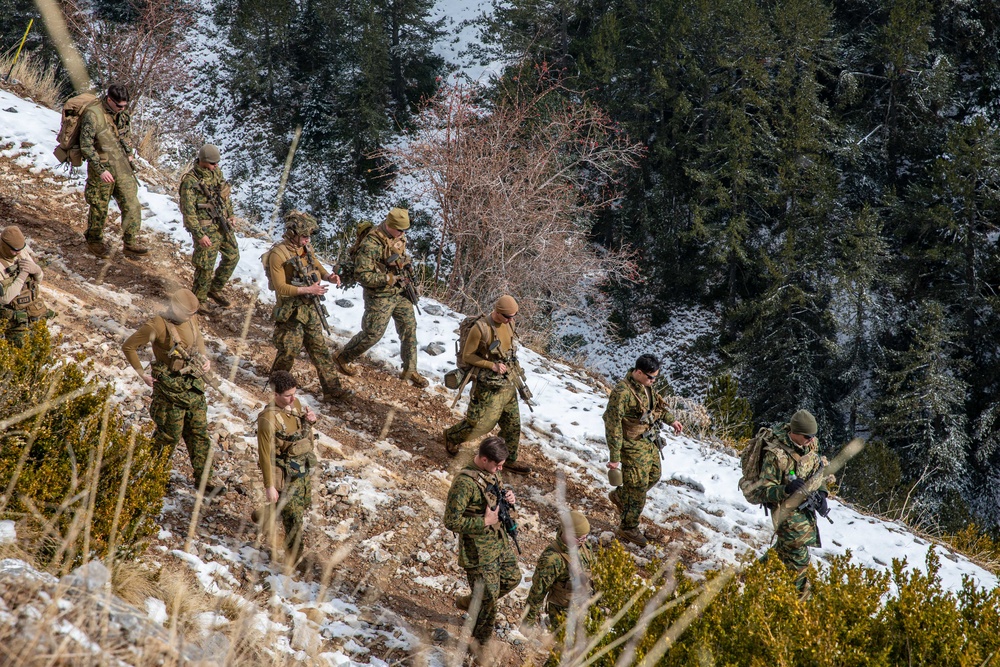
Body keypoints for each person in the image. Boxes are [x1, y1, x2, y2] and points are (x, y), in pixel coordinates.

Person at [122, 289, 224, 495]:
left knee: (199, 433)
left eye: (193, 314)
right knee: (168, 436)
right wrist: (142, 374)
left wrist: (204, 359)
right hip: (169, 390)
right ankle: (155, 476)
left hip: (192, 387)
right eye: (187, 313)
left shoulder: (190, 319)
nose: (191, 318)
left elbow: (198, 338)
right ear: (175, 308)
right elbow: (129, 347)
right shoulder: (157, 325)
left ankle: (205, 478)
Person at [444, 436, 522, 654]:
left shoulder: (490, 473)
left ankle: (471, 601)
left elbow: (494, 496)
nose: (499, 470)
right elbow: (451, 521)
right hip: (477, 550)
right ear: (484, 459)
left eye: (501, 466)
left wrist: (508, 499)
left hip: (499, 541)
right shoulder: (464, 483)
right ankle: (478, 647)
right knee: (489, 601)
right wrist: (484, 521)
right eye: (496, 465)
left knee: (512, 578)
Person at [335, 207, 428, 388]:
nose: (402, 233)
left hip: (399, 291)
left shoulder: (398, 237)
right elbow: (362, 275)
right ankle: (342, 357)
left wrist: (406, 266)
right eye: (400, 230)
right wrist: (388, 278)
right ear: (390, 225)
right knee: (373, 334)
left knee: (409, 328)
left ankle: (410, 369)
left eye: (404, 231)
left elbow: (400, 256)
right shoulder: (371, 244)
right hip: (379, 294)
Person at [264, 211, 349, 403]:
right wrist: (306, 289)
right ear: (293, 232)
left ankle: (333, 390)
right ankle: (277, 387)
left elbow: (315, 264)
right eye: (304, 236)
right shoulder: (278, 254)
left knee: (319, 349)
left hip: (310, 307)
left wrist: (328, 276)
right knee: (288, 351)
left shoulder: (305, 247)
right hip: (291, 311)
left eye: (308, 236)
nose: (306, 240)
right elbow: (281, 288)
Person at [443, 295, 531, 474]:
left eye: (514, 316)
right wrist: (492, 365)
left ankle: (508, 459)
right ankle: (452, 436)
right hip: (487, 385)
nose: (511, 320)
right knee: (481, 424)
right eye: (508, 317)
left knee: (513, 424)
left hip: (507, 382)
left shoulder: (510, 324)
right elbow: (468, 356)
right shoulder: (481, 328)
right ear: (498, 313)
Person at [603, 354, 683, 547]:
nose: (653, 381)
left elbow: (659, 408)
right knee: (638, 487)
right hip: (630, 445)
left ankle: (622, 497)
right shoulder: (622, 392)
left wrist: (671, 420)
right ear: (638, 372)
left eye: (655, 377)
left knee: (654, 475)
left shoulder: (646, 387)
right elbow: (612, 424)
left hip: (648, 441)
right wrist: (615, 456)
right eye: (650, 377)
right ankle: (628, 526)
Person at [756, 409, 830, 598]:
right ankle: (801, 604)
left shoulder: (810, 445)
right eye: (807, 436)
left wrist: (822, 494)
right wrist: (787, 489)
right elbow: (764, 491)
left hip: (804, 510)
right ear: (795, 432)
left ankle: (753, 575)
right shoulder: (775, 454)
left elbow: (817, 471)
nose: (811, 440)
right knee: (799, 557)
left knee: (783, 549)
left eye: (813, 436)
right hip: (784, 511)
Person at [79, 83, 147, 258]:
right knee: (99, 205)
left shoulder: (122, 114)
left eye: (125, 106)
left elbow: (124, 135)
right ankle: (94, 240)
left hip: (121, 164)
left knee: (131, 203)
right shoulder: (93, 115)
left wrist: (129, 154)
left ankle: (130, 243)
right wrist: (100, 170)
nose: (122, 109)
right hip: (101, 165)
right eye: (119, 105)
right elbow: (86, 145)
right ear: (109, 99)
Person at [256, 370, 318, 565]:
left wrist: (310, 421)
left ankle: (266, 514)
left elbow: (301, 432)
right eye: (288, 395)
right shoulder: (267, 420)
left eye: (294, 393)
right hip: (283, 473)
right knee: (294, 517)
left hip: (301, 467)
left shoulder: (295, 404)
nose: (293, 399)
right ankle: (294, 559)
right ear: (275, 395)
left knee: (303, 503)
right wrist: (269, 485)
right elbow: (264, 454)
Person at [179, 144, 239, 309]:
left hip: (221, 224)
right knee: (205, 266)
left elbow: (225, 196)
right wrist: (199, 235)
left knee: (233, 256)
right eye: (213, 163)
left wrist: (231, 214)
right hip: (205, 228)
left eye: (217, 163)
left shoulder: (216, 173)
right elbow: (189, 212)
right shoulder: (190, 181)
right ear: (203, 162)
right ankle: (199, 300)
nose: (216, 166)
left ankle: (215, 288)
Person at [523, 511, 594, 628]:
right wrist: (527, 623)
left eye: (586, 537)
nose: (585, 541)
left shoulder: (584, 546)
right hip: (563, 611)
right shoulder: (552, 559)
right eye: (580, 538)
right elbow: (538, 592)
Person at [0, 226, 51, 345]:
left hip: (33, 312)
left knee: (43, 350)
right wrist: (22, 275)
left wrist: (37, 270)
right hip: (13, 321)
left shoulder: (20, 251)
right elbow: (5, 298)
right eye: (14, 250)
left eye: (20, 249)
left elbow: (38, 280)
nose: (18, 253)